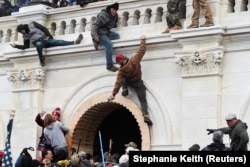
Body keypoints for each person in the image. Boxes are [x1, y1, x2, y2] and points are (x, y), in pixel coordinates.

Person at [107, 35, 153, 126]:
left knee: (122, 80)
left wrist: (113, 94)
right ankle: (146, 115)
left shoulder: (121, 71)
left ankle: (125, 90)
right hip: (138, 83)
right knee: (142, 99)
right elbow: (142, 50)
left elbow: (117, 83)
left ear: (119, 61)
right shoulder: (135, 59)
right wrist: (143, 40)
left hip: (129, 82)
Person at [10, 21, 83, 66]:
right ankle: (41, 59)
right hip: (39, 43)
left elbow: (43, 28)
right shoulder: (25, 36)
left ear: (23, 29)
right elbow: (26, 46)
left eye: (21, 31)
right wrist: (16, 46)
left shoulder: (33, 24)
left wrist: (49, 36)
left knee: (57, 42)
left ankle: (74, 42)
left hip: (45, 39)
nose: (22, 32)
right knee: (38, 44)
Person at [91, 2, 120, 72]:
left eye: (116, 10)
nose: (114, 12)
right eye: (113, 10)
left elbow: (114, 23)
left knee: (117, 36)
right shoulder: (103, 15)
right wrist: (94, 35)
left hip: (106, 32)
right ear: (110, 9)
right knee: (109, 44)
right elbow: (95, 25)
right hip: (99, 33)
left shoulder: (115, 15)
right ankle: (109, 65)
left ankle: (98, 41)